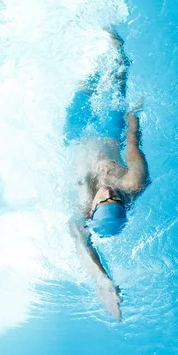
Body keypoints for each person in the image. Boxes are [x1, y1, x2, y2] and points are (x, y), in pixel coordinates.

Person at [65, 29, 149, 320]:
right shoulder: (132, 183)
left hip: (76, 136)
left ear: (94, 209)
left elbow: (79, 240)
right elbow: (132, 144)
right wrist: (133, 120)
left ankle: (84, 43)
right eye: (117, 199)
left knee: (83, 87)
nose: (109, 192)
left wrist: (101, 278)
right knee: (117, 79)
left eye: (106, 200)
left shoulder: (83, 200)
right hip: (111, 131)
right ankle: (115, 46)